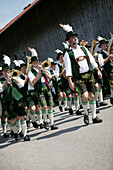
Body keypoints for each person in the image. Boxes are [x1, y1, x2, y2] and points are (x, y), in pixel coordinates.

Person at [60, 24, 103, 124]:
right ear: (68, 41)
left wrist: (97, 70)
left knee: (92, 95)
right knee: (85, 96)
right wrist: (70, 81)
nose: (75, 39)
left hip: (89, 74)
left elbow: (92, 60)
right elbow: (68, 68)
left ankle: (94, 116)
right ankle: (86, 113)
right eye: (72, 38)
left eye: (75, 37)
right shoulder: (68, 54)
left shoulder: (84, 49)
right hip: (78, 77)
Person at [28, 50, 58, 130]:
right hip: (39, 89)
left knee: (50, 106)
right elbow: (34, 81)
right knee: (44, 107)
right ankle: (45, 121)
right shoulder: (31, 72)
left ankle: (52, 123)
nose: (36, 64)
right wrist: (39, 73)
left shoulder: (43, 68)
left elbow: (50, 78)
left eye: (37, 62)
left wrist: (44, 70)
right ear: (32, 64)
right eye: (34, 63)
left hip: (46, 88)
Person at [1, 62, 30, 141]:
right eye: (5, 71)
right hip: (9, 101)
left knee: (22, 117)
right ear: (2, 72)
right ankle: (15, 132)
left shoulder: (15, 77)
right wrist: (7, 80)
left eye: (8, 71)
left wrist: (13, 78)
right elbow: (1, 89)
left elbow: (21, 84)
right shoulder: (1, 81)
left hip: (18, 99)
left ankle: (25, 135)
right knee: (12, 120)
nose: (7, 72)